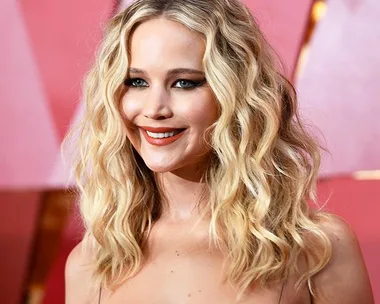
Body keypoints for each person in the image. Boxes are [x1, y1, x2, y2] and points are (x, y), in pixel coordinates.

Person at [64, 0, 374, 303]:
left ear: (235, 93)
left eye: (184, 83)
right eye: (136, 82)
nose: (154, 108)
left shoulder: (316, 248)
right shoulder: (91, 263)